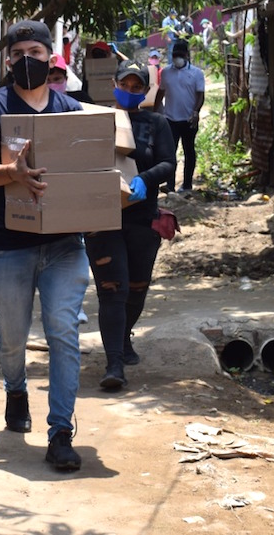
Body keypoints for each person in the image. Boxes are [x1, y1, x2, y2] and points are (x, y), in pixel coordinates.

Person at [0, 19, 90, 472]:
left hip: (65, 245)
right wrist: (13, 174)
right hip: (10, 245)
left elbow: (93, 171)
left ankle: (60, 432)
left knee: (64, 333)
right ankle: (15, 389)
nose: (28, 61)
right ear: (8, 59)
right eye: (19, 53)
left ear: (51, 57)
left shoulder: (72, 111)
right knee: (12, 340)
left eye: (36, 54)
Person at [85, 61, 175, 390]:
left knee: (136, 290)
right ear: (114, 83)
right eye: (126, 84)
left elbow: (168, 163)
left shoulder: (157, 123)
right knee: (113, 291)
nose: (131, 91)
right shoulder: (95, 120)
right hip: (101, 219)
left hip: (142, 218)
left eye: (138, 87)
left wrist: (143, 179)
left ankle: (122, 338)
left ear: (146, 90)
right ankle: (114, 364)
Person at [155, 38, 206, 193]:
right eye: (175, 55)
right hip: (170, 119)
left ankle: (187, 184)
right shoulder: (165, 73)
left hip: (189, 119)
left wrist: (196, 111)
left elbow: (200, 95)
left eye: (180, 55)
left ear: (186, 55)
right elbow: (160, 92)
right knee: (170, 153)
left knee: (189, 151)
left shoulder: (196, 73)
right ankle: (170, 185)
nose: (177, 58)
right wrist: (154, 110)